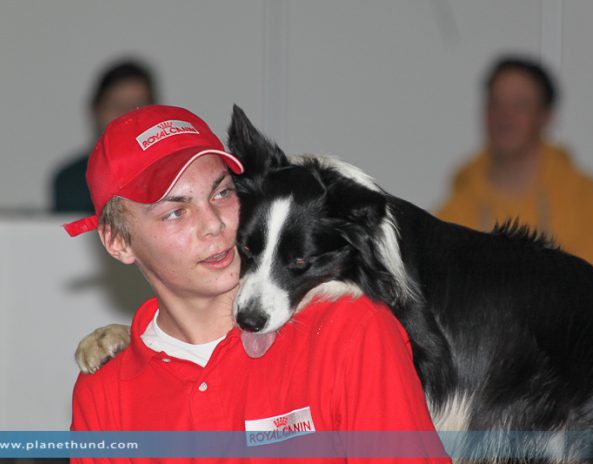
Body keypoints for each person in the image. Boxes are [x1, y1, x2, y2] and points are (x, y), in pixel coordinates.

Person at [64, 105, 451, 463]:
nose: (214, 223)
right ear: (118, 241)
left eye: (222, 192)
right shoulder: (104, 391)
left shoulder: (349, 331)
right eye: (176, 212)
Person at [435, 56, 593, 276]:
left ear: (546, 117)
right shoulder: (454, 209)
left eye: (520, 105)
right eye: (496, 103)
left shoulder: (588, 199)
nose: (504, 117)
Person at [52, 59, 157, 213]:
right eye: (117, 106)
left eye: (137, 107)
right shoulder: (71, 180)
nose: (127, 116)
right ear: (96, 111)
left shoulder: (174, 174)